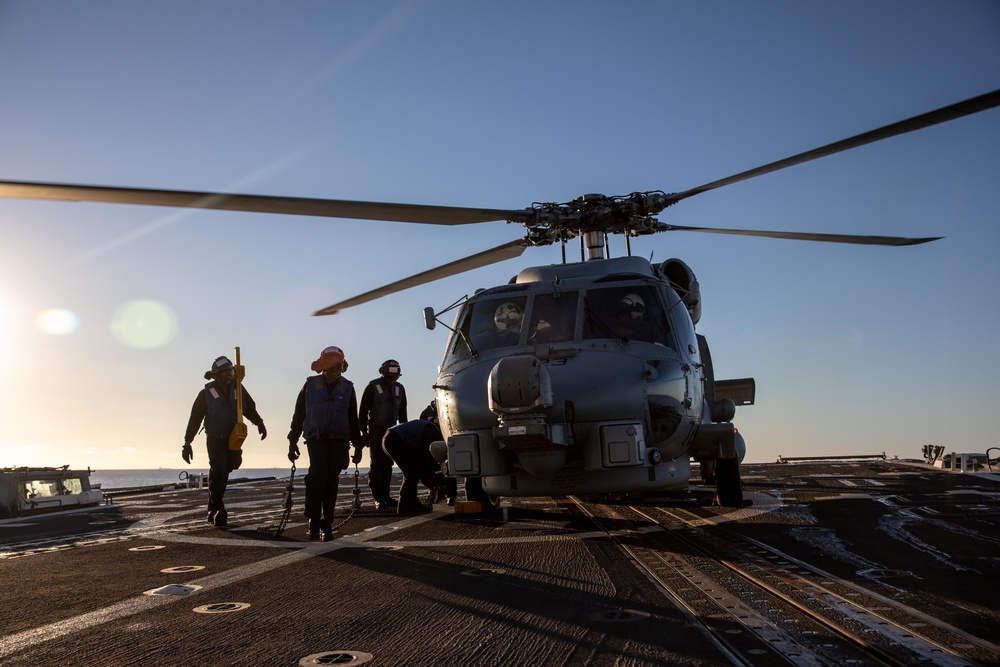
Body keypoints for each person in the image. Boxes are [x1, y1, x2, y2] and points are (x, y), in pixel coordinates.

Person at [287, 346, 364, 541]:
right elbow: (299, 415)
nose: (335, 370)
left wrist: (358, 445)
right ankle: (313, 521)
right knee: (317, 477)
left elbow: (353, 418)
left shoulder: (348, 388)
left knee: (331, 481)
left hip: (339, 441)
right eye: (331, 366)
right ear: (324, 367)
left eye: (338, 366)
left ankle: (327, 524)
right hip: (316, 439)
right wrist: (292, 440)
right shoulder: (310, 386)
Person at [183, 355, 267, 527]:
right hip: (215, 438)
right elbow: (195, 419)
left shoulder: (239, 388)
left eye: (231, 372)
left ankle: (211, 507)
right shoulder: (205, 394)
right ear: (216, 375)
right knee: (219, 469)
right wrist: (187, 443)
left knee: (229, 468)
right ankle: (218, 509)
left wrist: (259, 423)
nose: (229, 375)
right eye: (225, 373)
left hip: (233, 438)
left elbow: (249, 408)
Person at [359, 359, 407, 510]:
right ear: (383, 373)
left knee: (388, 465)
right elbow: (362, 412)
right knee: (377, 464)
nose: (391, 380)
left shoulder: (400, 389)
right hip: (375, 430)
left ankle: (386, 496)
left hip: (392, 431)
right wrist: (364, 433)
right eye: (389, 377)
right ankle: (378, 498)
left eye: (394, 377)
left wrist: (405, 432)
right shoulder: (372, 387)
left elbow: (403, 413)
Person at [381, 419, 445, 514]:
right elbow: (427, 458)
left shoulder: (427, 431)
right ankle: (404, 505)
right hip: (394, 439)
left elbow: (421, 463)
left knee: (412, 472)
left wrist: (432, 481)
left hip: (389, 438)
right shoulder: (432, 432)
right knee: (411, 473)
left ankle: (412, 503)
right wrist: (434, 482)